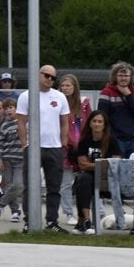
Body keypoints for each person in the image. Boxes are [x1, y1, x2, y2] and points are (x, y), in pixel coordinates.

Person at [17, 64, 71, 233]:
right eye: (46, 75)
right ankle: (29, 221)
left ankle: (51, 221)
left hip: (54, 147)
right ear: (38, 75)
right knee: (30, 186)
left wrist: (63, 144)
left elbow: (64, 122)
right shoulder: (27, 96)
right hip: (34, 147)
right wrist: (25, 144)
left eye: (53, 77)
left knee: (54, 187)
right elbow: (21, 122)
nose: (49, 79)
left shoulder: (60, 97)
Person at [72, 110, 122, 235]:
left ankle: (81, 221)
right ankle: (88, 221)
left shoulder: (112, 140)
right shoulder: (84, 141)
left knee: (81, 181)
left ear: (104, 124)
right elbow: (82, 164)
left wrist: (92, 165)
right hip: (89, 178)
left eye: (100, 121)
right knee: (82, 180)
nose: (97, 124)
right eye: (94, 121)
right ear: (89, 123)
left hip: (107, 180)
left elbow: (115, 164)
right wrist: (102, 164)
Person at [57, 73, 90, 225]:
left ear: (74, 87)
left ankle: (90, 213)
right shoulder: (56, 102)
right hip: (65, 148)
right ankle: (69, 213)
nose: (65, 88)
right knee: (65, 183)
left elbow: (90, 123)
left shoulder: (84, 103)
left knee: (86, 182)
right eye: (63, 85)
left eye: (68, 85)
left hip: (82, 148)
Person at [97, 61, 134, 158]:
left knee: (131, 169)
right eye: (120, 75)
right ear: (115, 77)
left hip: (131, 138)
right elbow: (102, 116)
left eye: (126, 76)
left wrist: (128, 95)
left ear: (131, 77)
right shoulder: (106, 92)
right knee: (116, 169)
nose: (123, 78)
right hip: (115, 138)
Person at [0, 98, 25, 223]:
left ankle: (0, 203)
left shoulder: (23, 122)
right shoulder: (4, 125)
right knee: (10, 185)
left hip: (20, 160)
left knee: (18, 185)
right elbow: (0, 144)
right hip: (7, 160)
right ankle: (15, 212)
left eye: (11, 107)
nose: (9, 110)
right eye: (6, 109)